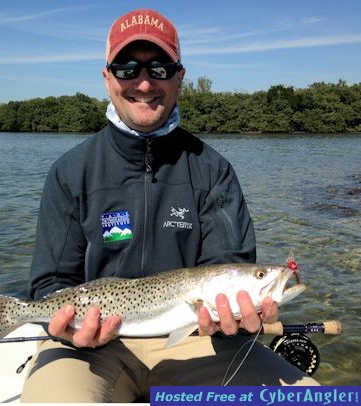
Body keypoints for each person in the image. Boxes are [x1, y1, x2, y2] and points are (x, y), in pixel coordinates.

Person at [21, 8, 318, 403]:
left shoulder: (214, 170)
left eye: (159, 68)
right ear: (107, 77)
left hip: (201, 342)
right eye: (128, 68)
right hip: (89, 349)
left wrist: (243, 319)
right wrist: (64, 326)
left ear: (180, 77)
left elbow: (230, 261)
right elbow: (50, 283)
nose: (144, 83)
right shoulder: (70, 171)